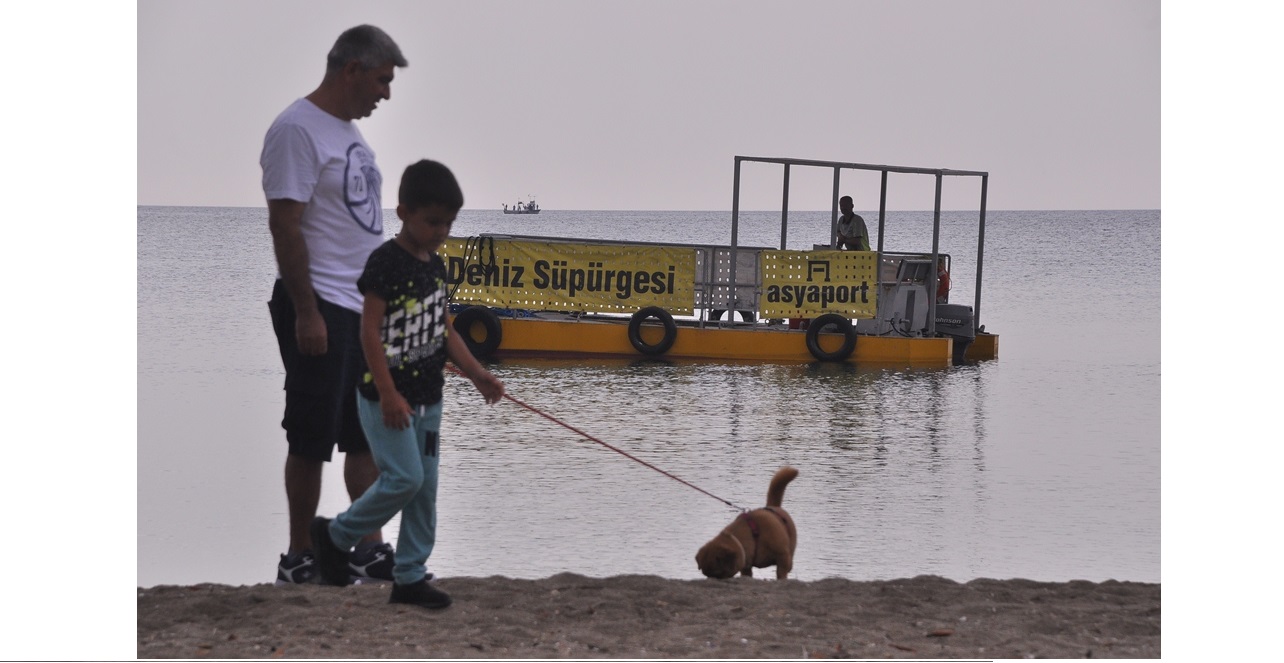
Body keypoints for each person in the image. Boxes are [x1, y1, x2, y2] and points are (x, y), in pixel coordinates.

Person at [311, 160, 506, 609]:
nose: (441, 231)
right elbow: (368, 333)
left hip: (428, 401)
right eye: (432, 221)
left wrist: (479, 374)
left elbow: (446, 331)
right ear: (403, 212)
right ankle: (335, 536)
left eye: (449, 223)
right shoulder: (385, 263)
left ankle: (410, 576)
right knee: (403, 479)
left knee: (425, 490)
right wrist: (387, 393)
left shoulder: (436, 269)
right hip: (385, 399)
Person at [261, 25, 408, 586]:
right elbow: (285, 222)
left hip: (362, 307)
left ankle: (366, 546)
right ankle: (299, 555)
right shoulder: (298, 129)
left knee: (365, 432)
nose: (385, 94)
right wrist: (306, 311)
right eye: (381, 80)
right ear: (352, 70)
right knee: (311, 433)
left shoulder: (350, 135)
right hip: (318, 303)